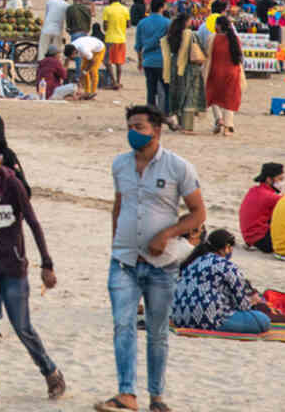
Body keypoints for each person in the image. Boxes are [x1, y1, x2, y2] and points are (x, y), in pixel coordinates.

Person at [99, 105, 205, 412]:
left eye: (140, 127)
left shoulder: (178, 167)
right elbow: (118, 205)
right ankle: (126, 393)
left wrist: (167, 234)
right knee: (123, 325)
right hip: (124, 262)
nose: (133, 132)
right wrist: (117, 241)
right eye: (129, 126)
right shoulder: (120, 165)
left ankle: (156, 397)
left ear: (156, 130)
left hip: (162, 266)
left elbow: (199, 213)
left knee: (157, 333)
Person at [0, 139, 65, 404]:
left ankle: (51, 372)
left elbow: (32, 222)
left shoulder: (12, 185)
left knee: (22, 326)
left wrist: (47, 264)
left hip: (13, 267)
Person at [170, 229, 270, 334]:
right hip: (209, 320)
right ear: (225, 248)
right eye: (231, 247)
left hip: (180, 318)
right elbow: (243, 305)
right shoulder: (226, 266)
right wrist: (252, 301)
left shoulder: (193, 263)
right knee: (263, 320)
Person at [204, 14, 244, 136]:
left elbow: (207, 54)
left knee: (213, 96)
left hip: (216, 72)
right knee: (230, 98)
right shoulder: (235, 39)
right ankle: (229, 126)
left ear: (219, 26)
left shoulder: (212, 38)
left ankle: (219, 119)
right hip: (232, 72)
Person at [134, 0, 172, 111]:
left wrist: (140, 61)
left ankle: (151, 115)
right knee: (167, 90)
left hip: (148, 61)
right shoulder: (167, 22)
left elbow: (138, 45)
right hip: (163, 61)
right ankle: (166, 114)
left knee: (151, 91)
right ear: (162, 7)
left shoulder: (142, 22)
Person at [239, 162, 284, 253]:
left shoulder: (254, 190)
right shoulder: (270, 197)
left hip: (249, 237)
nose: (282, 183)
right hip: (262, 240)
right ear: (269, 179)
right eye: (280, 179)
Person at [102, 0, 131, 89]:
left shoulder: (107, 9)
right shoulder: (125, 9)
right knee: (118, 62)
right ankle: (118, 81)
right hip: (121, 38)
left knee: (107, 61)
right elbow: (128, 24)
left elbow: (105, 27)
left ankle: (113, 81)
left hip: (110, 38)